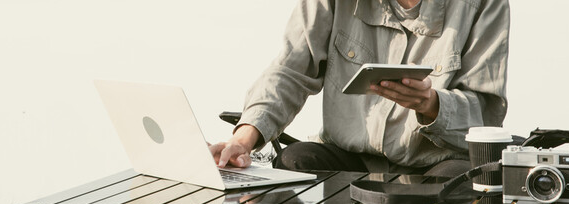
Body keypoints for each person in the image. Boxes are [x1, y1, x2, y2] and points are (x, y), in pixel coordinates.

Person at [209, 0, 509, 176]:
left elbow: (486, 113)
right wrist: (243, 140)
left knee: (463, 178)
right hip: (346, 155)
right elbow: (290, 69)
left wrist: (431, 104)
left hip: (435, 162)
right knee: (294, 160)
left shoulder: (485, 5)